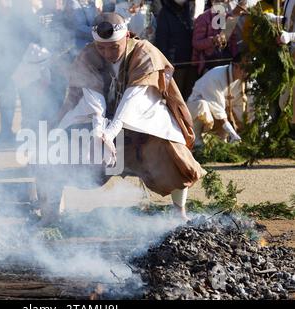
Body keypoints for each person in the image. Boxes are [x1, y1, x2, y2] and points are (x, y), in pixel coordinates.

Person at [34, 12, 205, 226]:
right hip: (101, 120)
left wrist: (111, 131)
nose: (107, 53)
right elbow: (94, 100)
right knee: (54, 147)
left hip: (141, 118)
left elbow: (134, 99)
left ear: (126, 37)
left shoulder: (145, 53)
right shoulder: (89, 54)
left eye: (113, 47)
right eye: (102, 48)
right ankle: (51, 216)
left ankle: (179, 213)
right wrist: (99, 133)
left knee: (171, 149)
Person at [186, 54, 249, 146]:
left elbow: (247, 105)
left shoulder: (245, 80)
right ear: (236, 66)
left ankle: (222, 143)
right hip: (198, 111)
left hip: (221, 115)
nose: (247, 73)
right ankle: (196, 142)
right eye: (245, 69)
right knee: (201, 105)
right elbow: (217, 108)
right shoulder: (216, 76)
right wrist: (232, 133)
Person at [156, 0, 197, 100]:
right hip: (174, 65)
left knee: (190, 98)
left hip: (192, 62)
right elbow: (162, 42)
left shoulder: (191, 8)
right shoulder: (164, 13)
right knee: (174, 99)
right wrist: (167, 65)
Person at [191, 0, 238, 75]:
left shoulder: (229, 19)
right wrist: (212, 40)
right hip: (208, 66)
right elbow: (196, 43)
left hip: (227, 66)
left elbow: (233, 45)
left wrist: (236, 61)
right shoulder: (203, 18)